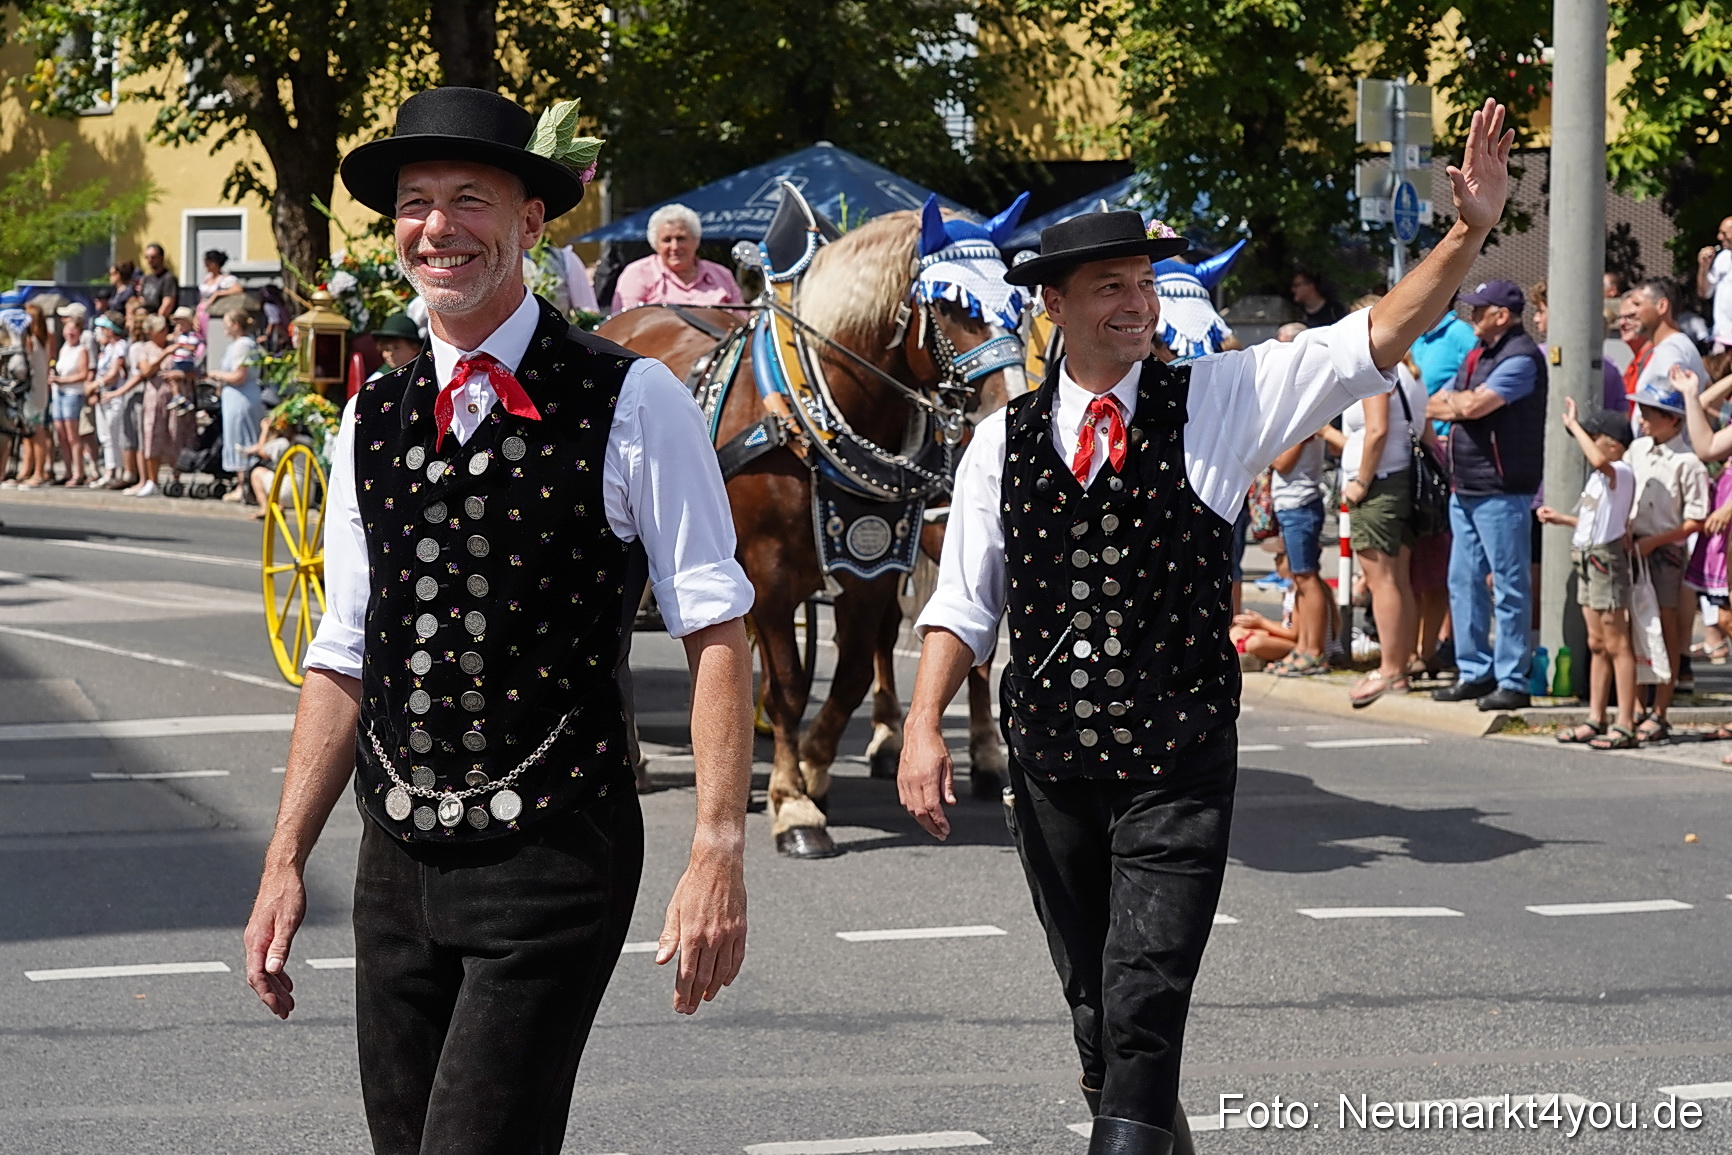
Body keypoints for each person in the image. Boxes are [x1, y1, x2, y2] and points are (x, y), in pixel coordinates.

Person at [899, 99, 1515, 1155]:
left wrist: (1465, 233)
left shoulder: (1219, 399)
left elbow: (1370, 339)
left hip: (1175, 762)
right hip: (1049, 768)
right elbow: (963, 601)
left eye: (1144, 284)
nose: (1138, 305)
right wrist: (921, 725)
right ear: (1054, 303)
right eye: (1112, 287)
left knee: (1143, 1006)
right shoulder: (1000, 442)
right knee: (1098, 1023)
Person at [242, 86, 755, 1155]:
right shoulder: (369, 413)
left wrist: (715, 850)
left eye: (469, 198)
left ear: (529, 222)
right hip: (394, 862)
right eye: (415, 204)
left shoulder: (629, 397)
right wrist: (286, 854)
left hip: (555, 852)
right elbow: (341, 651)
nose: (438, 228)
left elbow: (715, 628)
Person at [1425, 279, 1547, 711]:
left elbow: (1475, 407)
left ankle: (1513, 678)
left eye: (1479, 309)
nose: (1471, 315)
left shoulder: (1522, 358)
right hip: (1467, 486)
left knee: (1509, 586)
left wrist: (1461, 403)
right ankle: (1475, 672)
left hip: (1503, 489)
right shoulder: (1477, 354)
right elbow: (1437, 403)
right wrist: (1460, 402)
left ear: (1501, 315)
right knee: (1463, 581)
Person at [1331, 294, 1434, 706]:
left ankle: (1391, 670)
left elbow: (1375, 431)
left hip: (1378, 485)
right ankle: (1401, 664)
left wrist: (1361, 481)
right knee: (1398, 579)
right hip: (1401, 481)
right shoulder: (1412, 371)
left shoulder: (1377, 364)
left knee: (1383, 580)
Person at [1539, 402, 1640, 748]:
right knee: (1597, 643)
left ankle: (1625, 720)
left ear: (1614, 444)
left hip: (1604, 561)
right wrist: (1563, 520)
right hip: (1586, 556)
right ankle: (1595, 717)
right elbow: (1595, 518)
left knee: (1617, 642)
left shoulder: (1620, 470)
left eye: (1596, 437)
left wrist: (1573, 425)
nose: (1590, 444)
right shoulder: (1600, 477)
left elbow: (1599, 460)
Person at [1623, 382, 1709, 741]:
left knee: (1666, 628)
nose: (1642, 420)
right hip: (1632, 547)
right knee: (1634, 629)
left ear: (1673, 420)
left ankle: (1661, 709)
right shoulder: (1637, 450)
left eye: (1651, 414)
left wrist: (1655, 542)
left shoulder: (1688, 462)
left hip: (1666, 550)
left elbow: (1696, 519)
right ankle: (1637, 705)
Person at [1267, 431, 1329, 675]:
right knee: (1298, 579)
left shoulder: (1305, 422)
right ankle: (1304, 646)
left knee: (1306, 577)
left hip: (1300, 504)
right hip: (1290, 504)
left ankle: (1314, 650)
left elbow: (1281, 462)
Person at [609, 203, 743, 312]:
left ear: (696, 240)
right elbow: (624, 326)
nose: (675, 247)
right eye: (667, 240)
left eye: (681, 238)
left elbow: (742, 322)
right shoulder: (637, 274)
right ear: (655, 244)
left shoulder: (722, 275)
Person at [206, 310, 266, 495]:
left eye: (227, 322)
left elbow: (240, 376)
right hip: (236, 398)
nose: (224, 326)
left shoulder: (243, 345)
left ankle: (244, 486)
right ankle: (244, 484)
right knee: (237, 437)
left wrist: (217, 374)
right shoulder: (240, 344)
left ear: (236, 325)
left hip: (242, 398)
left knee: (242, 439)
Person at [1629, 280, 1709, 402]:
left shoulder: (1671, 350)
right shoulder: (1672, 347)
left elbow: (1665, 410)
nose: (1631, 312)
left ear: (1662, 306)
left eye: (1637, 304)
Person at [124, 314, 175, 496]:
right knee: (152, 437)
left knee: (175, 436)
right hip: (153, 397)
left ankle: (175, 479)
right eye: (160, 330)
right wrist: (164, 355)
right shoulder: (144, 348)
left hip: (174, 397)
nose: (165, 332)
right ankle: (152, 480)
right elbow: (146, 371)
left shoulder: (173, 344)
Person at [46, 303, 93, 486]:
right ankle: (67, 470)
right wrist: (54, 378)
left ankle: (78, 472)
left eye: (73, 330)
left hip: (73, 393)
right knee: (61, 434)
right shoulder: (64, 349)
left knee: (73, 436)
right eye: (67, 330)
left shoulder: (81, 350)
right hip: (59, 394)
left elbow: (82, 374)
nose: (69, 333)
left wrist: (62, 381)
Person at [92, 312, 140, 488]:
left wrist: (96, 384)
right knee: (105, 435)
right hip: (104, 396)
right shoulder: (107, 349)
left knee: (115, 434)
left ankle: (117, 470)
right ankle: (109, 470)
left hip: (115, 396)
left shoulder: (120, 346)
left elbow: (113, 373)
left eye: (104, 328)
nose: (101, 331)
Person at [1697, 216, 1732, 353]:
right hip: (1721, 336)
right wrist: (1704, 267)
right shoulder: (1723, 258)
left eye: (1724, 233)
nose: (1719, 237)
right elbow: (1704, 293)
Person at [365, 312, 424, 382]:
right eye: (386, 349)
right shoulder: (378, 381)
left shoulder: (426, 372)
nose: (390, 354)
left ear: (415, 348)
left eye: (396, 348)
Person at [196, 249, 242, 336]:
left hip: (215, 313)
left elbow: (238, 289)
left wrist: (218, 293)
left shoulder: (225, 279)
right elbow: (202, 298)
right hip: (202, 311)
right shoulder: (207, 278)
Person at [139, 244, 180, 318]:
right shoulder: (146, 278)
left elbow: (168, 304)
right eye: (147, 257)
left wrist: (157, 321)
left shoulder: (168, 278)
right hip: (145, 318)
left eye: (153, 257)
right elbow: (141, 299)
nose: (149, 260)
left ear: (161, 257)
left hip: (159, 321)